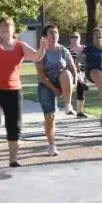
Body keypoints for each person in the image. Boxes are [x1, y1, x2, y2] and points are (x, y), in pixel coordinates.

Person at [0, 17, 47, 169]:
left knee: (14, 125)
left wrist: (42, 48)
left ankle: (13, 160)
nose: (4, 29)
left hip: (13, 91)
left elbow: (36, 56)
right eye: (1, 26)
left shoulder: (20, 46)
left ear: (13, 29)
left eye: (7, 26)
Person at [35, 24, 78, 156]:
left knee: (66, 74)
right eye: (51, 32)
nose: (54, 35)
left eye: (56, 32)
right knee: (50, 117)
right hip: (46, 84)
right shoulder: (42, 52)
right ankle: (51, 145)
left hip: (61, 81)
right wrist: (55, 90)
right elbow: (41, 75)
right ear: (45, 36)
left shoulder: (63, 50)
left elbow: (72, 69)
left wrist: (74, 82)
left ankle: (68, 105)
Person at [84, 28, 102, 126]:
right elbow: (81, 57)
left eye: (100, 34)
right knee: (97, 73)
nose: (98, 36)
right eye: (95, 34)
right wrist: (77, 64)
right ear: (93, 37)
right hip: (92, 71)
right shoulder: (89, 48)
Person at [68, 32, 90, 118]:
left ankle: (79, 111)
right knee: (80, 82)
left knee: (80, 87)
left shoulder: (85, 49)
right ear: (70, 39)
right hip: (70, 72)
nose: (75, 39)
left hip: (83, 72)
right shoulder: (67, 50)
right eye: (72, 37)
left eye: (76, 37)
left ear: (80, 38)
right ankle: (69, 107)